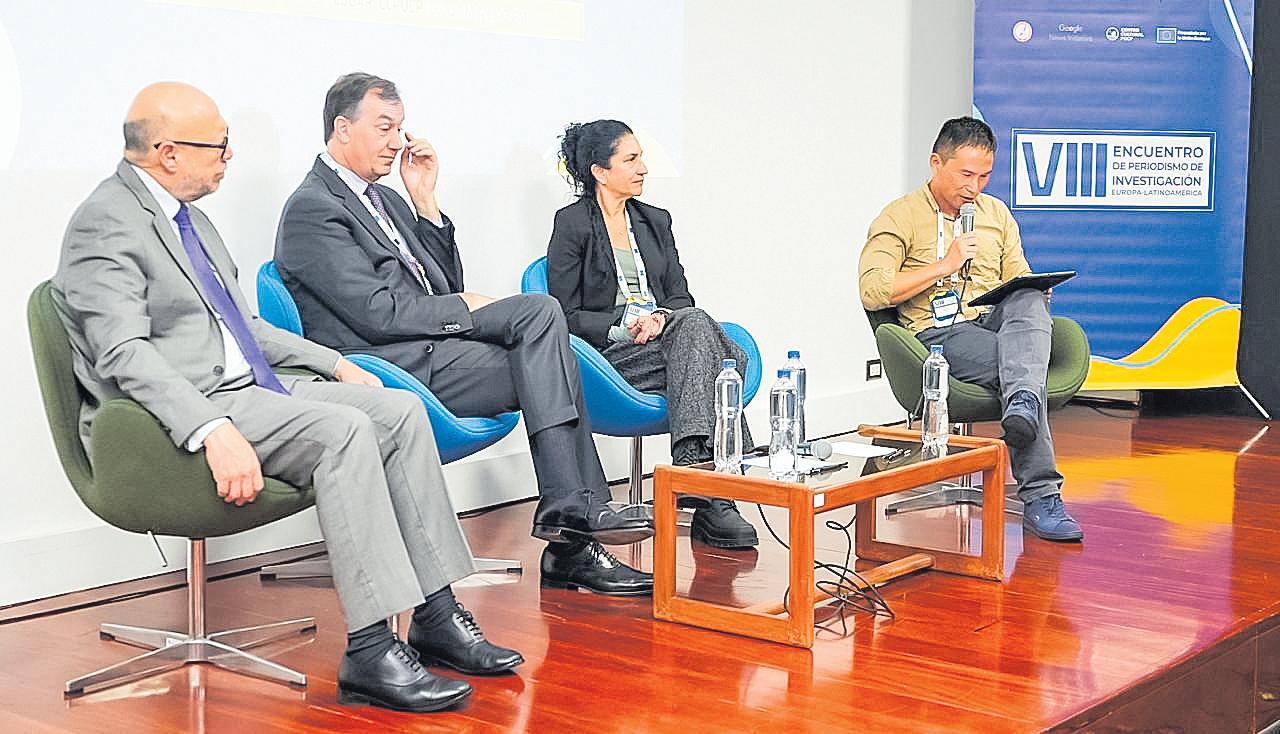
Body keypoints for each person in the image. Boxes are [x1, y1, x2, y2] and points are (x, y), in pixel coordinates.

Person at [53, 82, 527, 713]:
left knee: (398, 410)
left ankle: (436, 613)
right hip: (187, 407)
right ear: (168, 153)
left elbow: (242, 325)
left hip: (247, 387)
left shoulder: (188, 219)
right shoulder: (106, 221)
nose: (229, 156)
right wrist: (209, 428)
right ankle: (369, 651)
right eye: (219, 145)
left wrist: (333, 363)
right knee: (344, 432)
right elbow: (121, 353)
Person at [275, 73, 652, 597]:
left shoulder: (385, 200)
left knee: (547, 337)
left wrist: (425, 203)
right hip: (385, 366)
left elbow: (442, 284)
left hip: (432, 350)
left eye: (400, 128)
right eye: (384, 128)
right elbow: (378, 315)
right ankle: (573, 533)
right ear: (342, 128)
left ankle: (571, 518)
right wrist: (465, 308)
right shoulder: (313, 208)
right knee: (544, 330)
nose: (397, 141)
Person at [858, 116, 1083, 542]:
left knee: (1029, 297)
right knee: (1024, 372)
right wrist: (944, 265)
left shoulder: (995, 214)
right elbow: (873, 290)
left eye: (984, 176)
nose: (974, 187)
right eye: (965, 174)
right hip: (938, 334)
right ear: (936, 163)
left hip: (994, 323)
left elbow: (1017, 275)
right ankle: (1042, 495)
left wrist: (1034, 289)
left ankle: (1022, 405)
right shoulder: (900, 217)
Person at [546, 119, 759, 550]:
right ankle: (714, 485)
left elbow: (680, 296)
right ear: (600, 171)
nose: (643, 167)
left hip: (668, 342)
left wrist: (661, 317)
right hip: (611, 358)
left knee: (693, 323)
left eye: (641, 157)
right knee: (722, 354)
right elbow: (563, 313)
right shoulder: (573, 223)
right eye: (631, 159)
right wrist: (623, 324)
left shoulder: (655, 221)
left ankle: (698, 478)